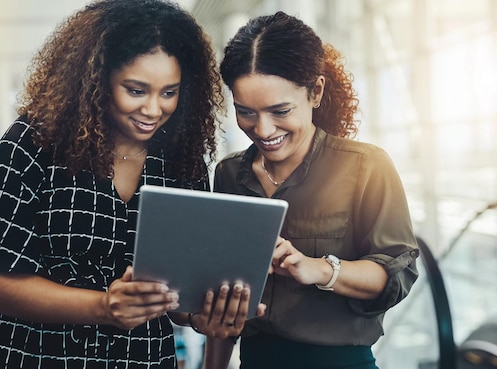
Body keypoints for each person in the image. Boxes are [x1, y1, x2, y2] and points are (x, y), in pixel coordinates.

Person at [0, 1, 257, 368]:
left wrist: (207, 315)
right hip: (39, 357)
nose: (154, 109)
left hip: (145, 360)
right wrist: (103, 307)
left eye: (169, 92)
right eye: (136, 90)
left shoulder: (182, 163)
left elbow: (181, 298)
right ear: (96, 79)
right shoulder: (32, 144)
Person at [209, 11, 420, 369]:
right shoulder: (229, 175)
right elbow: (226, 305)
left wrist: (319, 269)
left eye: (280, 110)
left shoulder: (365, 166)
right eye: (245, 112)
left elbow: (395, 276)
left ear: (315, 91)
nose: (262, 129)